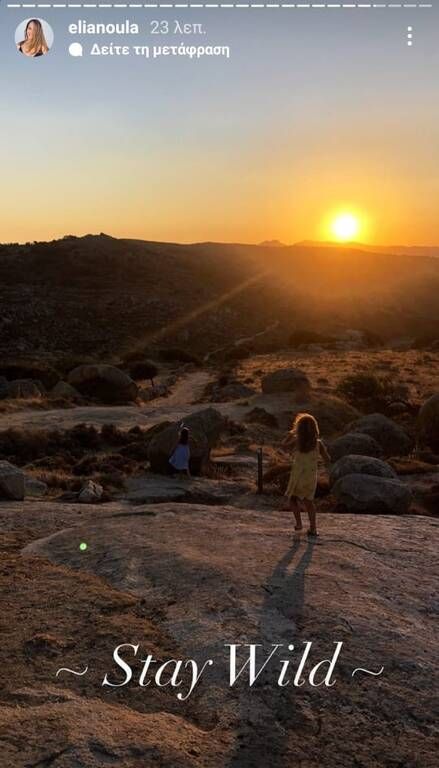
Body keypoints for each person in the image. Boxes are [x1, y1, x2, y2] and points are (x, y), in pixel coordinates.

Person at [283, 413, 330, 537]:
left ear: (299, 428)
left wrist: (289, 435)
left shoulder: (297, 441)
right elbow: (327, 459)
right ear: (315, 428)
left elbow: (283, 446)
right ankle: (313, 528)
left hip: (297, 476)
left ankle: (299, 524)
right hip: (309, 477)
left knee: (293, 499)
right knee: (309, 502)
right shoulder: (318, 444)